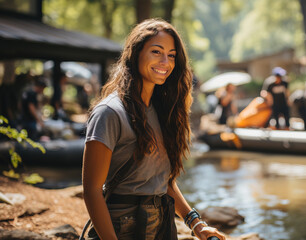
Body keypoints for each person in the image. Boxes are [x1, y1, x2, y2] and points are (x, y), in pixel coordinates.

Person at [82, 18, 225, 240]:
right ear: (136, 53)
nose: (165, 62)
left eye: (171, 55)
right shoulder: (109, 113)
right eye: (156, 52)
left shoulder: (164, 111)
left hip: (162, 226)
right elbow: (91, 190)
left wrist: (196, 224)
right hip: (122, 227)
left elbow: (162, 182)